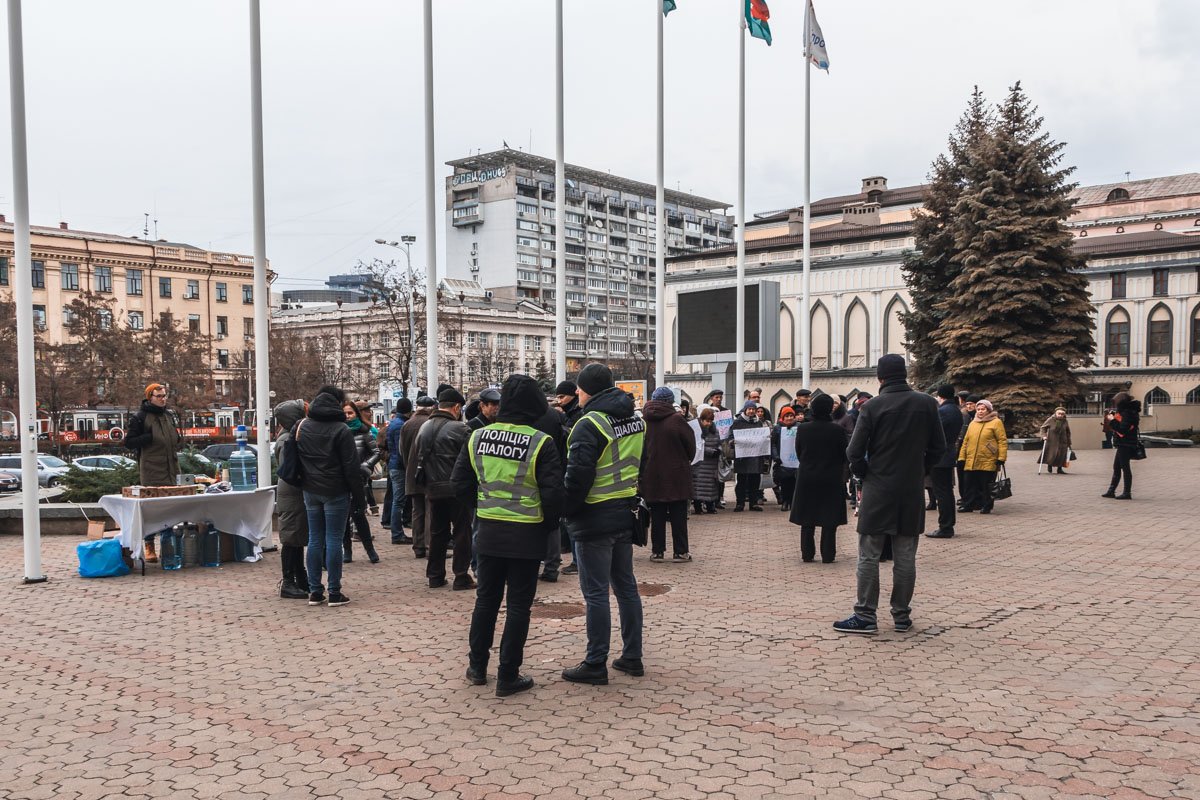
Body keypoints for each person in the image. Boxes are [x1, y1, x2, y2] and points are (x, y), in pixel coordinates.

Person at [453, 374, 564, 697]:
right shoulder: (540, 441)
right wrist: (547, 525)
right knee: (518, 606)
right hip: (526, 535)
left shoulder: (477, 437)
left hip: (488, 531)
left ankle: (476, 667)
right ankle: (507, 675)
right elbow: (553, 494)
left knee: (485, 601)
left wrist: (484, 508)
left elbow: (459, 484)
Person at [835, 355, 944, 635]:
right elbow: (938, 447)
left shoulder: (872, 407)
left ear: (880, 378)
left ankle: (865, 615)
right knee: (905, 554)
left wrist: (864, 473)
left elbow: (854, 451)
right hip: (911, 488)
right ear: (904, 374)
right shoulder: (927, 404)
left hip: (878, 487)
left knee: (869, 554)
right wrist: (920, 470)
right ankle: (901, 615)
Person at [561, 363, 646, 685]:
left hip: (595, 514)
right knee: (626, 587)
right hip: (626, 511)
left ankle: (595, 662)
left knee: (595, 592)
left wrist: (565, 510)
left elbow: (578, 477)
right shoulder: (635, 421)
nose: (577, 393)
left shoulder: (589, 424)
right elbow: (643, 463)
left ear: (589, 390)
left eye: (580, 389)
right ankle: (632, 656)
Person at [298, 385, 366, 607]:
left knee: (314, 540)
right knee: (334, 539)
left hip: (310, 489)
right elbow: (351, 467)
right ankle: (335, 591)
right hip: (336, 490)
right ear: (337, 404)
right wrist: (359, 497)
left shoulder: (304, 426)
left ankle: (315, 591)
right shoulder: (341, 429)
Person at [412, 388, 474, 589]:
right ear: (456, 407)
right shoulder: (460, 428)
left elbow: (413, 457)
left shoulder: (424, 427)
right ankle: (461, 575)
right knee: (462, 532)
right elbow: (471, 460)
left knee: (438, 532)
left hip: (432, 488)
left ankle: (435, 576)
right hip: (456, 489)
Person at [124, 382, 182, 563]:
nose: (163, 399)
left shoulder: (169, 415)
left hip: (171, 468)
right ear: (150, 397)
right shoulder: (140, 417)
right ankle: (149, 544)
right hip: (151, 470)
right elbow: (129, 442)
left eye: (164, 395)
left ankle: (167, 544)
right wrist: (147, 438)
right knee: (152, 509)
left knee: (169, 509)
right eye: (159, 396)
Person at [640, 386, 697, 562]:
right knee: (678, 515)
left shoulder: (644, 421)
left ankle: (657, 551)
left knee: (656, 515)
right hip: (676, 475)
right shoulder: (677, 420)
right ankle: (680, 552)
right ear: (670, 401)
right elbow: (691, 447)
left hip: (652, 475)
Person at [789, 394, 848, 563]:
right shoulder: (837, 430)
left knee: (807, 518)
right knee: (829, 519)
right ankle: (828, 554)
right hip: (831, 477)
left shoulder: (803, 428)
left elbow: (799, 451)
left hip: (807, 476)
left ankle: (807, 554)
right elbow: (843, 453)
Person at [547, 380, 586, 579]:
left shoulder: (577, 416)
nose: (559, 401)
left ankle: (577, 562)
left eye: (562, 396)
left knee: (572, 521)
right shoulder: (571, 414)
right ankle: (575, 559)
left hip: (571, 472)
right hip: (567, 470)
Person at [272, 398, 309, 599]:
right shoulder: (287, 440)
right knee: (291, 538)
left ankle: (299, 577)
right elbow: (291, 471)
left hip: (292, 494)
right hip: (292, 495)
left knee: (296, 538)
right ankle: (288, 581)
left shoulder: (288, 437)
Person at [340, 401, 381, 564]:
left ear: (356, 413)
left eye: (350, 413)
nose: (347, 416)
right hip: (341, 479)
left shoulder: (364, 431)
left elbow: (376, 452)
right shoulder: (339, 431)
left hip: (358, 478)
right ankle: (347, 550)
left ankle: (370, 549)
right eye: (345, 413)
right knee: (343, 517)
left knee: (359, 515)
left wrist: (366, 466)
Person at [926, 386, 965, 539]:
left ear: (940, 396)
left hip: (940, 457)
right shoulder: (955, 410)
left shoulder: (943, 411)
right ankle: (947, 525)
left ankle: (945, 526)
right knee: (946, 492)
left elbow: (934, 432)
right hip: (948, 455)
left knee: (942, 492)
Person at [401, 395, 437, 559]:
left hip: (411, 472)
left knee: (417, 511)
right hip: (429, 472)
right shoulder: (431, 424)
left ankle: (418, 545)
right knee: (430, 509)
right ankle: (430, 546)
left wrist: (409, 466)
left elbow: (402, 451)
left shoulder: (407, 424)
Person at [957, 399, 1007, 515]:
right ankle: (968, 504)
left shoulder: (996, 422)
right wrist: (961, 457)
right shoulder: (973, 423)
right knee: (969, 484)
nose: (980, 411)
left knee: (986, 485)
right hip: (971, 458)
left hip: (988, 458)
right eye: (978, 409)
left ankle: (986, 505)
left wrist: (1001, 457)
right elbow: (966, 441)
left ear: (989, 410)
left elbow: (1002, 441)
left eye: (983, 409)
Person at [728, 401, 768, 512]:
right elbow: (730, 436)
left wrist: (766, 438)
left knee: (754, 481)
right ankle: (740, 503)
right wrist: (732, 442)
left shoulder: (758, 423)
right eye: (749, 409)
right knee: (741, 481)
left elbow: (762, 437)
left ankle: (753, 503)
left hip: (755, 456)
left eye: (753, 409)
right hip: (742, 457)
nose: (751, 411)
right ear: (745, 410)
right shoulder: (737, 422)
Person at [385, 399, 413, 546]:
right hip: (399, 467)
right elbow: (401, 449)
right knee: (399, 501)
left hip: (394, 465)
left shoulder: (394, 423)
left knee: (397, 500)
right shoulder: (401, 425)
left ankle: (397, 532)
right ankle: (397, 534)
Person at [1102, 392, 1139, 499]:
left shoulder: (1128, 413)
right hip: (1123, 443)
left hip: (1126, 443)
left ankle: (1127, 493)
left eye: (1116, 402)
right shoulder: (1127, 411)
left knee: (1125, 468)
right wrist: (1114, 418)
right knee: (1117, 467)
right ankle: (1111, 491)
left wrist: (1112, 420)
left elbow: (1123, 429)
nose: (1115, 404)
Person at [691, 407, 721, 515]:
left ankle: (710, 506)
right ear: (702, 419)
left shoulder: (715, 431)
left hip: (711, 464)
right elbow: (695, 446)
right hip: (700, 463)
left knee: (711, 486)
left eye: (711, 421)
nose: (709, 423)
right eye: (707, 421)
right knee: (698, 486)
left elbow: (719, 443)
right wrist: (709, 451)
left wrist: (719, 450)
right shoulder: (696, 430)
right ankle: (698, 507)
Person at [770, 407, 798, 513]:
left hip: (796, 461)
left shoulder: (799, 427)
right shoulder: (777, 428)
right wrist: (776, 456)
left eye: (791, 416)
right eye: (787, 416)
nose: (789, 418)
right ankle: (785, 501)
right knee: (785, 482)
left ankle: (793, 502)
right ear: (783, 417)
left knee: (794, 482)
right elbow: (773, 444)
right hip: (782, 461)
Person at [956, 394, 978, 505]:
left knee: (972, 477)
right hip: (962, 450)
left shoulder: (979, 418)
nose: (968, 406)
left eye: (971, 404)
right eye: (967, 404)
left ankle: (973, 498)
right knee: (962, 475)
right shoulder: (964, 415)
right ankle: (965, 497)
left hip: (976, 452)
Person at [1038, 407, 1073, 475]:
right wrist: (1044, 436)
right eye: (1059, 413)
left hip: (1063, 440)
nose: (1060, 415)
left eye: (1062, 414)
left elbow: (1068, 432)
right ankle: (1049, 465)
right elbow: (1043, 428)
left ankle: (1059, 469)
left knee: (1062, 455)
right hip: (1052, 440)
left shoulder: (1065, 421)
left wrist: (1069, 441)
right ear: (1055, 413)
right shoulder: (1051, 420)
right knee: (1052, 454)